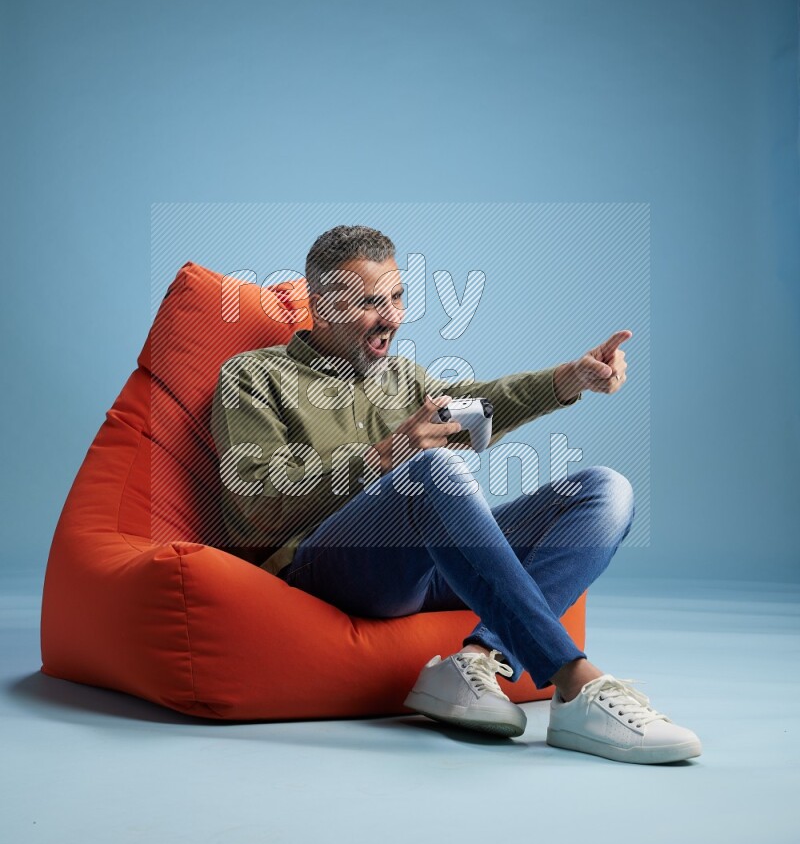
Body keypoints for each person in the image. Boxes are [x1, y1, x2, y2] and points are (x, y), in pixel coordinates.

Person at [211, 224, 702, 765]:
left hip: (431, 568)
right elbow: (256, 503)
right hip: (323, 572)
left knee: (604, 490)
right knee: (432, 469)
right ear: (322, 307)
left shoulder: (401, 376)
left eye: (397, 297)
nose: (393, 318)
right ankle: (574, 681)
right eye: (370, 304)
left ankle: (475, 659)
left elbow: (477, 407)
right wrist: (386, 455)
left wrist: (567, 380)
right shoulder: (252, 376)